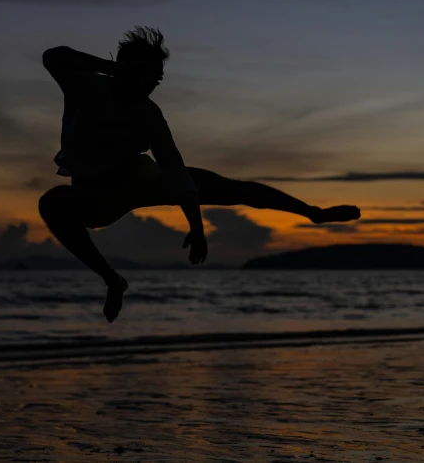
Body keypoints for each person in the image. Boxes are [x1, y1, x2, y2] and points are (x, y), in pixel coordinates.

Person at [38, 26, 361, 322]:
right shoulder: (87, 85)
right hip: (93, 194)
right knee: (52, 203)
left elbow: (176, 171)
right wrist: (116, 70)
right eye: (147, 76)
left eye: (157, 79)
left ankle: (312, 213)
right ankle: (112, 279)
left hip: (138, 178)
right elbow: (55, 57)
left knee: (232, 189)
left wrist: (196, 226)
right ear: (126, 70)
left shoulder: (150, 115)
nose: (152, 84)